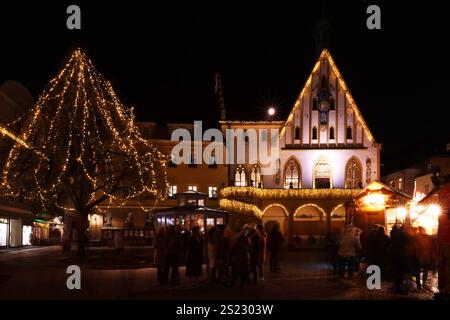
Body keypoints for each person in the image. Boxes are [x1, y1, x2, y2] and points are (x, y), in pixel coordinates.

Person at [390, 224, 407, 294]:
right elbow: (405, 244)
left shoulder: (393, 234)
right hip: (401, 256)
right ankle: (401, 289)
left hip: (395, 256)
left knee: (396, 273)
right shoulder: (401, 234)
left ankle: (397, 288)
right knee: (401, 273)